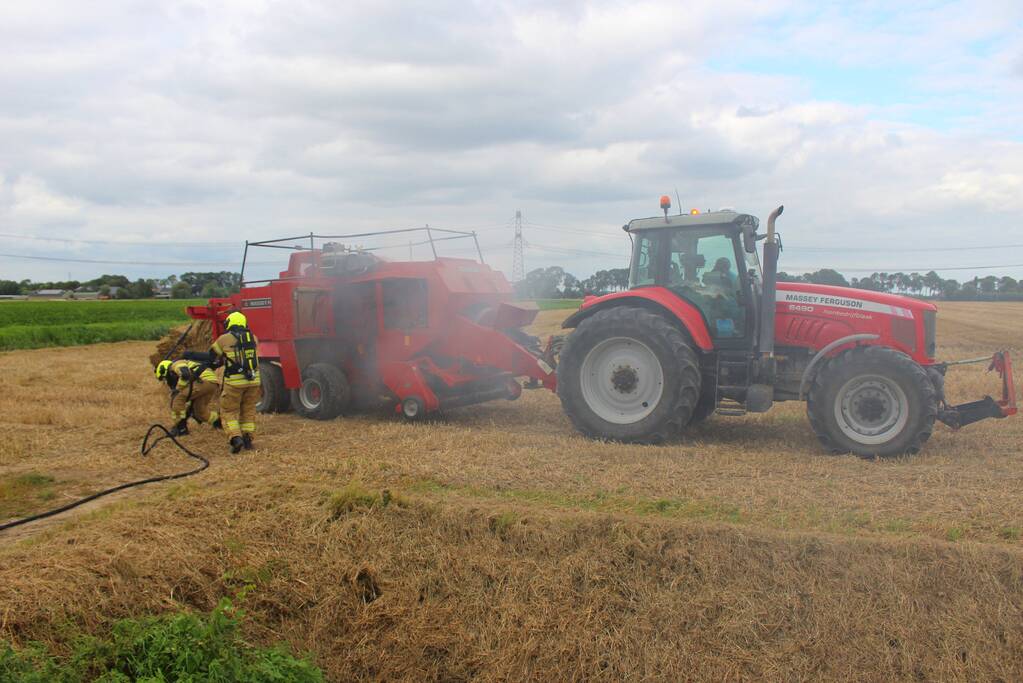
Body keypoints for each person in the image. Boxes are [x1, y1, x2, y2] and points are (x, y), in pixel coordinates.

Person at [210, 311, 261, 453]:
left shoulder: (224, 339)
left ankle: (235, 438)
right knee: (248, 409)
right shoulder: (253, 338)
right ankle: (248, 439)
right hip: (254, 381)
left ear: (229, 323)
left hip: (234, 382)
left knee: (228, 411)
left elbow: (212, 355)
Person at [154, 358, 221, 436]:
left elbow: (185, 374)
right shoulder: (181, 364)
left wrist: (178, 389)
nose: (167, 381)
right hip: (212, 384)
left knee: (177, 398)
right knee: (199, 411)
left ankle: (180, 428)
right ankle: (219, 422)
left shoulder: (176, 364)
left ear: (164, 369)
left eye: (165, 378)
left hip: (204, 380)